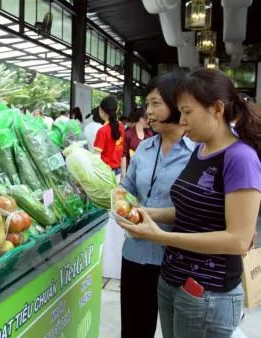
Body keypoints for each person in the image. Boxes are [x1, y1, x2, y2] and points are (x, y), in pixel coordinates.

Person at [118, 69, 261, 338]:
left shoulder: (240, 158)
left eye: (187, 112)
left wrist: (161, 238)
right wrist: (148, 213)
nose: (182, 121)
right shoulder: (202, 150)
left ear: (217, 109)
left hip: (208, 291)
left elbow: (239, 240)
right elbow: (189, 212)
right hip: (175, 282)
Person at [119, 72, 195, 338]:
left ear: (176, 104)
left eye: (155, 104)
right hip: (135, 254)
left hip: (175, 260)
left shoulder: (198, 153)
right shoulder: (144, 148)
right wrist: (120, 203)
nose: (147, 112)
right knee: (134, 329)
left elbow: (201, 210)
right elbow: (126, 189)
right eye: (147, 104)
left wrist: (148, 214)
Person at [120, 106, 153, 180]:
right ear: (141, 119)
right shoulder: (127, 134)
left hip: (146, 172)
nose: (150, 120)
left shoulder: (149, 134)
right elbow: (123, 155)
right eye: (147, 118)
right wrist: (124, 175)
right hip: (131, 172)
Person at [94, 96, 125, 173]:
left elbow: (96, 157)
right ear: (116, 110)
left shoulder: (102, 131)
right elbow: (122, 151)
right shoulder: (121, 127)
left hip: (105, 173)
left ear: (100, 110)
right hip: (118, 171)